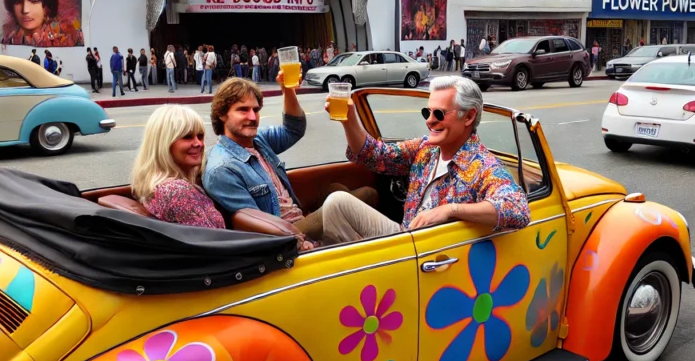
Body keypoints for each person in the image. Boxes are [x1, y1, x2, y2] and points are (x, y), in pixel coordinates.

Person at [319, 76, 531, 244]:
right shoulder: (425, 148)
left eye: (439, 113)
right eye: (427, 112)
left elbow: (517, 210)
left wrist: (449, 210)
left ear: (468, 117)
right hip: (404, 239)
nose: (429, 121)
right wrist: (348, 119)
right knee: (337, 203)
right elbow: (374, 155)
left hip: (435, 254)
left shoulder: (484, 165)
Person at [203, 75, 377, 242]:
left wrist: (288, 89)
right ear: (222, 114)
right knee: (341, 205)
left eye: (255, 110)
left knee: (356, 192)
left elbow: (294, 129)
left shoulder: (257, 140)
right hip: (285, 233)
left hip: (297, 214)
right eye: (242, 110)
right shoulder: (222, 168)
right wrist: (296, 237)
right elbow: (255, 227)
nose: (252, 117)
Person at [130, 105, 225, 229]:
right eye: (187, 137)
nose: (198, 144)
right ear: (164, 143)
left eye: (200, 136)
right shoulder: (177, 191)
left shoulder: (156, 183)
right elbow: (213, 242)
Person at [0, 0, 82, 47]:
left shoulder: (65, 39)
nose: (25, 10)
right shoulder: (7, 40)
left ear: (47, 7)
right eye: (18, 1)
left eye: (34, 1)